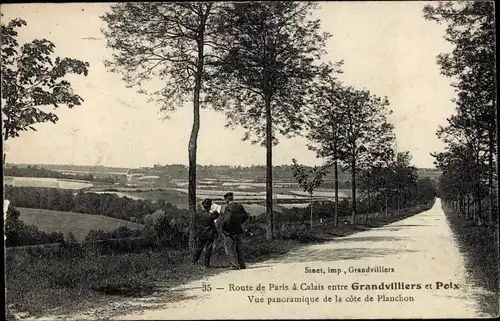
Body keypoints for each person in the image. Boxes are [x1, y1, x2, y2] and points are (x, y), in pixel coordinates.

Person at [220, 192, 249, 270]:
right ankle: (242, 264)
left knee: (230, 248)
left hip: (230, 231)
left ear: (226, 199)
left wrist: (224, 228)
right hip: (238, 229)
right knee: (239, 247)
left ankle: (234, 265)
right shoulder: (239, 206)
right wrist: (239, 223)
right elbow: (246, 216)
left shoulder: (228, 208)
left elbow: (227, 220)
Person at [192, 198, 219, 268]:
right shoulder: (210, 215)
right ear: (209, 206)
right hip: (209, 234)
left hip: (200, 234)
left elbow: (195, 224)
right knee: (208, 250)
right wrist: (215, 211)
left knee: (198, 249)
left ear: (203, 205)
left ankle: (193, 262)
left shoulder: (197, 213)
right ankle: (206, 265)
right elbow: (216, 218)